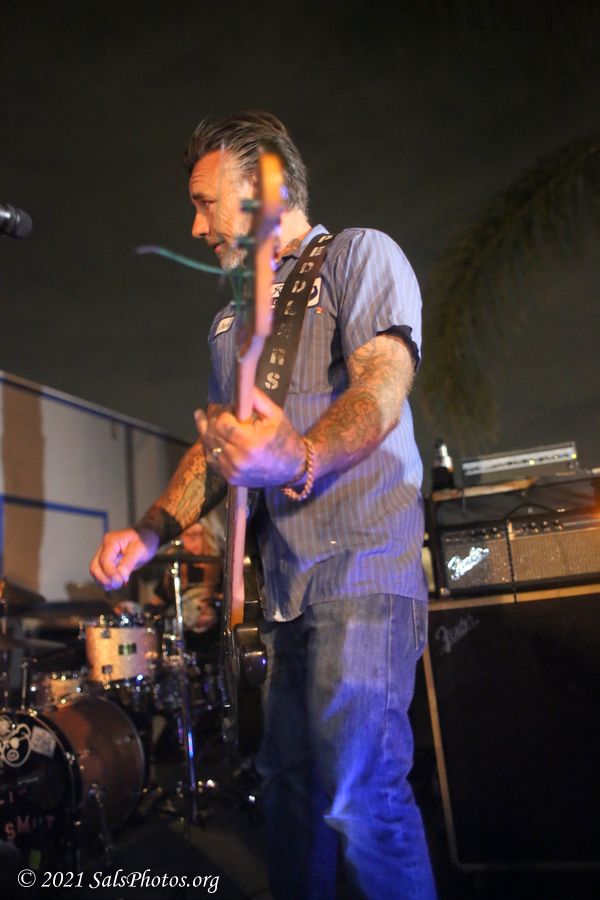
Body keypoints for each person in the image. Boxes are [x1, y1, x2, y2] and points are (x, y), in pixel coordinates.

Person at [90, 111, 436, 899]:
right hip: (287, 592)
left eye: (206, 202)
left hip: (365, 566)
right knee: (289, 796)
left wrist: (301, 455)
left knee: (361, 797)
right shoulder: (230, 323)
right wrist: (150, 531)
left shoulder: (359, 254)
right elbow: (218, 450)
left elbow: (382, 384)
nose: (195, 225)